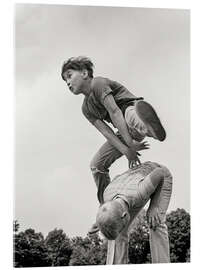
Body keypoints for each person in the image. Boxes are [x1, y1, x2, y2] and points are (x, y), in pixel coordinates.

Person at [61, 56, 166, 232]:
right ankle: (107, 209)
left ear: (85, 73)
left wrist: (131, 144)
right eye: (65, 81)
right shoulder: (86, 108)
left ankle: (149, 127)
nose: (68, 83)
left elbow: (115, 111)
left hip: (130, 111)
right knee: (96, 165)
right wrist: (126, 149)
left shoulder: (98, 84)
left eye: (70, 76)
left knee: (131, 115)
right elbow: (106, 132)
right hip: (124, 133)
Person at [96, 161, 173, 264]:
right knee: (118, 231)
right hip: (132, 185)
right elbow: (116, 179)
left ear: (124, 215)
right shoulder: (107, 196)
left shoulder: (139, 192)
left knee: (155, 221)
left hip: (160, 176)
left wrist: (153, 206)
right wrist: (103, 220)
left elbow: (159, 173)